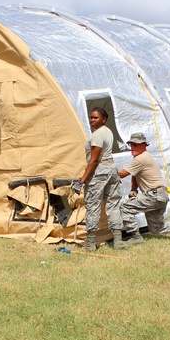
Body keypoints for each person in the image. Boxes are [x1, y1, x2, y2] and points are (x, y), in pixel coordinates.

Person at [115, 132, 170, 248]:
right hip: (160, 195)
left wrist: (102, 175)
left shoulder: (141, 158)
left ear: (144, 145)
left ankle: (136, 237)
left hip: (153, 195)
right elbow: (134, 174)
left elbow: (122, 174)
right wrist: (134, 188)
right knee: (156, 228)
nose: (132, 147)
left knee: (125, 208)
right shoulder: (142, 157)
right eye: (131, 144)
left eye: (135, 145)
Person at [74, 107, 123, 251]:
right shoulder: (107, 131)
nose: (92, 120)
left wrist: (81, 180)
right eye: (91, 117)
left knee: (93, 205)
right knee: (113, 204)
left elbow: (94, 161)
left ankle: (90, 242)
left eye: (96, 117)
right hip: (111, 169)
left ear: (104, 119)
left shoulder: (97, 135)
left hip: (99, 171)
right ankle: (118, 240)